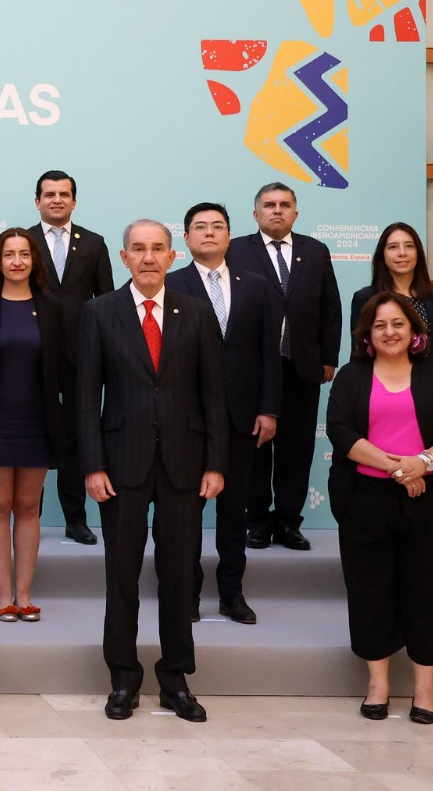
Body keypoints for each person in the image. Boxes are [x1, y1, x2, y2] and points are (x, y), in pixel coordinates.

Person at [78, 220, 227, 723]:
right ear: (123, 258)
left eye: (157, 249)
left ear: (172, 257)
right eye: (138, 249)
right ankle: (123, 678)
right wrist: (93, 465)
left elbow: (214, 393)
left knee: (179, 575)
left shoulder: (196, 312)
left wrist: (216, 462)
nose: (148, 257)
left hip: (185, 463)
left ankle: (175, 679)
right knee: (121, 574)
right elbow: (86, 397)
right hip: (121, 463)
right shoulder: (100, 312)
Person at [327, 292, 433, 725]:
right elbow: (340, 431)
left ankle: (425, 689)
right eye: (380, 325)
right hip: (365, 501)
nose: (389, 332)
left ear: (414, 331)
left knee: (427, 591)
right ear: (367, 335)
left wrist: (423, 463)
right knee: (370, 591)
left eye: (398, 324)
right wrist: (398, 468)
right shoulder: (351, 377)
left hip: (427, 500)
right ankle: (378, 685)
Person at [165, 203, 282, 625]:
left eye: (218, 226)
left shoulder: (258, 286)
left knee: (235, 512)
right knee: (187, 513)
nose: (210, 233)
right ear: (186, 238)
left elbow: (270, 352)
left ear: (230, 236)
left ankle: (232, 593)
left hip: (242, 416)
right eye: (200, 227)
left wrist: (269, 408)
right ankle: (187, 593)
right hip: (187, 419)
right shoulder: (170, 284)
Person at [227, 182, 342, 552]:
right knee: (256, 448)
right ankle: (257, 522)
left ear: (295, 212)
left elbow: (330, 307)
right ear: (255, 213)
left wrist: (328, 357)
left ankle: (289, 522)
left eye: (284, 204)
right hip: (254, 370)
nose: (277, 210)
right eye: (269, 204)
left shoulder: (316, 251)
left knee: (297, 448)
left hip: (301, 367)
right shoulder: (235, 251)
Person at [0, 228, 64, 624]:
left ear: (34, 260)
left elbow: (62, 368)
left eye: (24, 254)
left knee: (27, 507)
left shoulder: (52, 307)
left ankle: (25, 595)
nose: (17, 261)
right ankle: (3, 596)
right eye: (9, 254)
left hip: (37, 422)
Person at [26, 170, 113, 546]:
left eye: (64, 194)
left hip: (82, 356)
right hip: (32, 355)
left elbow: (106, 301)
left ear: (74, 201)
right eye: (49, 194)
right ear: (38, 202)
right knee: (32, 436)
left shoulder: (94, 243)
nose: (57, 199)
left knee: (78, 438)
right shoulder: (22, 241)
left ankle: (76, 520)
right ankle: (29, 518)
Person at [349, 223, 433, 394]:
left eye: (409, 246)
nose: (402, 253)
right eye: (393, 247)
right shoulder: (365, 298)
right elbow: (360, 356)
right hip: (384, 394)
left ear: (418, 252)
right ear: (382, 254)